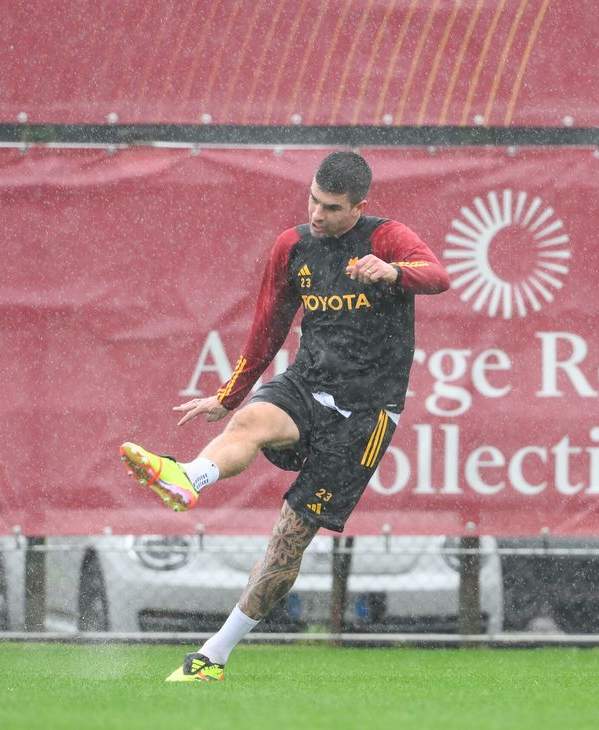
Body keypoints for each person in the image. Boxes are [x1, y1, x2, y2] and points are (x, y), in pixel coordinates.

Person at [119, 150, 450, 682]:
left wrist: (391, 273)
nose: (317, 214)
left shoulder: (386, 237)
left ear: (358, 207)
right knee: (249, 422)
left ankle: (213, 656)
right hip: (308, 383)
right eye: (313, 200)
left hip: (365, 417)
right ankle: (188, 478)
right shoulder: (292, 246)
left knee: (288, 540)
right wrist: (229, 395)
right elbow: (268, 328)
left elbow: (437, 276)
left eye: (332, 207)